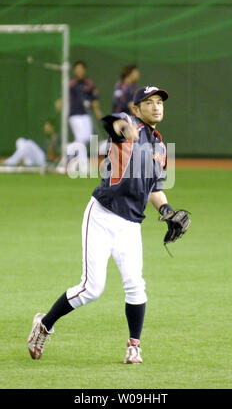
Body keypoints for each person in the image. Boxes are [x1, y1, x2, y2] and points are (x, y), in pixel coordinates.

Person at [27, 85, 191, 364]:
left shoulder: (160, 147)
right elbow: (110, 123)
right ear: (136, 108)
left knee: (136, 286)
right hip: (102, 216)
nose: (156, 106)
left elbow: (155, 187)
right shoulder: (128, 125)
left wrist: (166, 209)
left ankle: (134, 346)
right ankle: (45, 324)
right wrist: (123, 127)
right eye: (149, 102)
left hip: (131, 225)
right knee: (92, 288)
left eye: (160, 102)